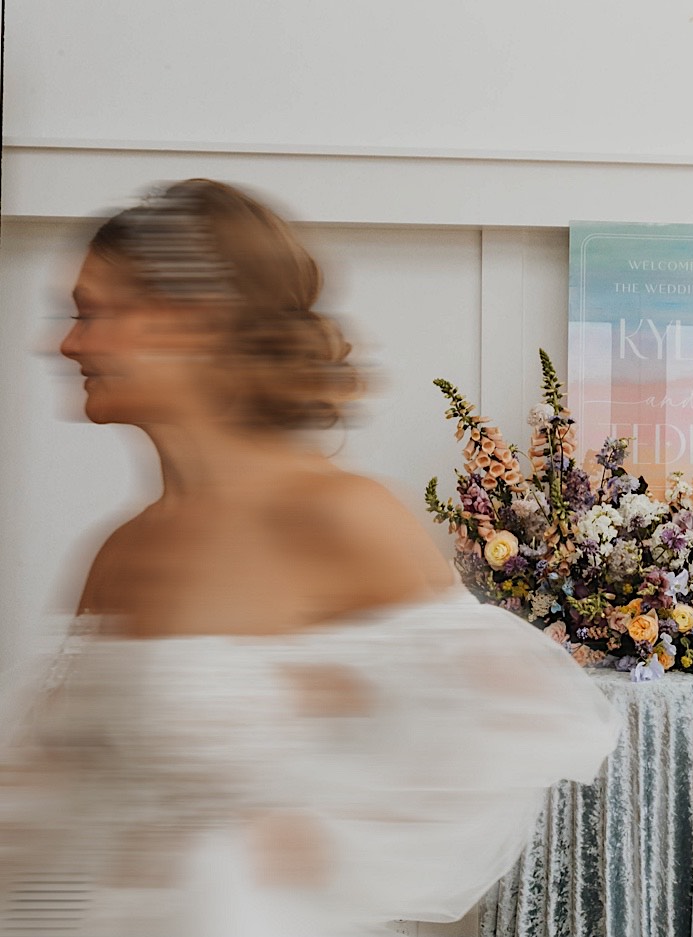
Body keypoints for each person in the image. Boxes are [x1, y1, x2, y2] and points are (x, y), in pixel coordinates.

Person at [0, 179, 621, 936]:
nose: (64, 342)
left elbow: (525, 720)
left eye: (93, 313)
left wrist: (309, 849)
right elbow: (54, 806)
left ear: (190, 323)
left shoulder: (336, 517)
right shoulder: (120, 552)